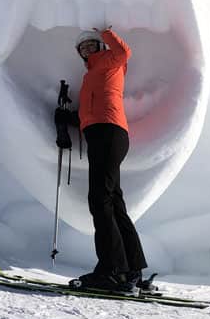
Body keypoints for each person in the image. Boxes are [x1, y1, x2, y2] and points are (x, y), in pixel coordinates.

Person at [55, 27, 148, 295]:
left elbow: (124, 51)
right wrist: (69, 118)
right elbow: (91, 111)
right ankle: (131, 269)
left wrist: (106, 32)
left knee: (100, 200)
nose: (86, 49)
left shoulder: (110, 62)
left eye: (90, 45)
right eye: (82, 48)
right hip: (102, 133)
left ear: (100, 47)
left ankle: (111, 270)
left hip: (108, 133)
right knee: (112, 201)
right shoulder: (90, 77)